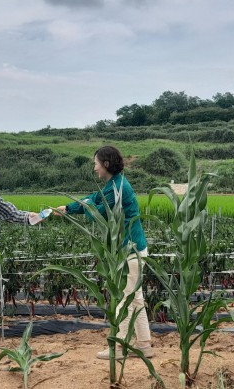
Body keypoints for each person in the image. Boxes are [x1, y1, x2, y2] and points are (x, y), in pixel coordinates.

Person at [56, 145, 153, 360]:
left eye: (96, 164)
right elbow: (93, 198)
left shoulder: (118, 188)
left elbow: (97, 212)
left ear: (106, 164)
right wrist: (67, 208)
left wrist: (83, 207)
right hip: (133, 249)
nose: (94, 168)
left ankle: (118, 347)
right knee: (134, 297)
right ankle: (144, 344)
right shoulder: (114, 184)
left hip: (129, 251)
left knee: (123, 299)